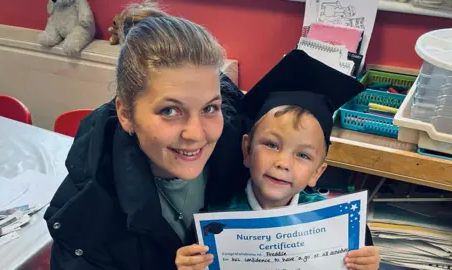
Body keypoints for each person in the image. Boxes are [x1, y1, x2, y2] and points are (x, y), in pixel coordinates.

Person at [43, 2, 249, 269]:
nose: (196, 134)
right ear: (126, 114)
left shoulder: (243, 157)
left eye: (210, 107)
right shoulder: (88, 214)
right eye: (170, 111)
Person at [175, 50, 380, 270]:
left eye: (303, 155)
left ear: (316, 173)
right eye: (272, 145)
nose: (283, 162)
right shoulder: (209, 228)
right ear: (247, 150)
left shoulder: (339, 227)